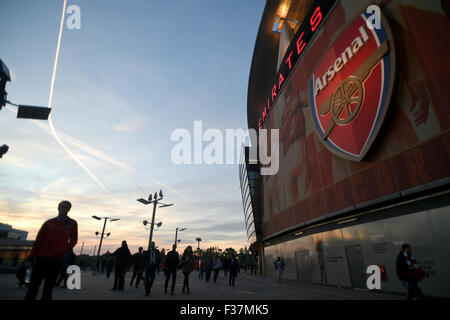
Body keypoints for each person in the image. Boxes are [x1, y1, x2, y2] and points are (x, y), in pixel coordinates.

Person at [24, 201, 78, 300]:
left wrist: (62, 250)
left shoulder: (72, 224)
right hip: (41, 258)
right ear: (58, 207)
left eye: (66, 207)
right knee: (33, 286)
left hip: (56, 260)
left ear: (69, 209)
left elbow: (73, 241)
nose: (64, 209)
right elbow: (39, 241)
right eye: (62, 206)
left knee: (48, 289)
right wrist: (31, 258)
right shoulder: (49, 223)